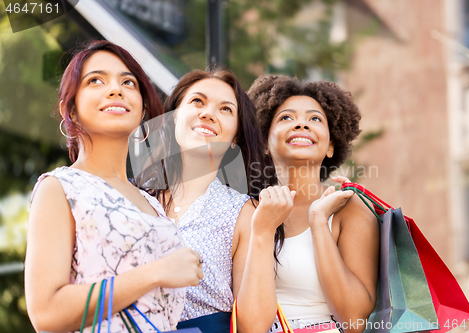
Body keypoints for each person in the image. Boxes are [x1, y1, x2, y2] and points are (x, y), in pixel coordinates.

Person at [24, 40, 203, 333]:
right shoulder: (59, 188)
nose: (115, 89)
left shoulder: (152, 202)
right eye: (95, 80)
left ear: (143, 109)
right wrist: (155, 273)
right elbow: (46, 312)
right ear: (70, 108)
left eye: (128, 82)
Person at [132, 69, 293, 333]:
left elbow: (254, 328)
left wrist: (263, 232)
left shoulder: (244, 212)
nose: (208, 113)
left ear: (236, 138)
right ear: (172, 119)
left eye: (226, 109)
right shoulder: (135, 199)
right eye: (197, 101)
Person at [248, 75, 379, 333]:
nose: (301, 124)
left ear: (331, 145)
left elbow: (355, 321)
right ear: (264, 141)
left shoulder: (350, 209)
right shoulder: (248, 210)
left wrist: (319, 221)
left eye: (315, 119)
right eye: (286, 117)